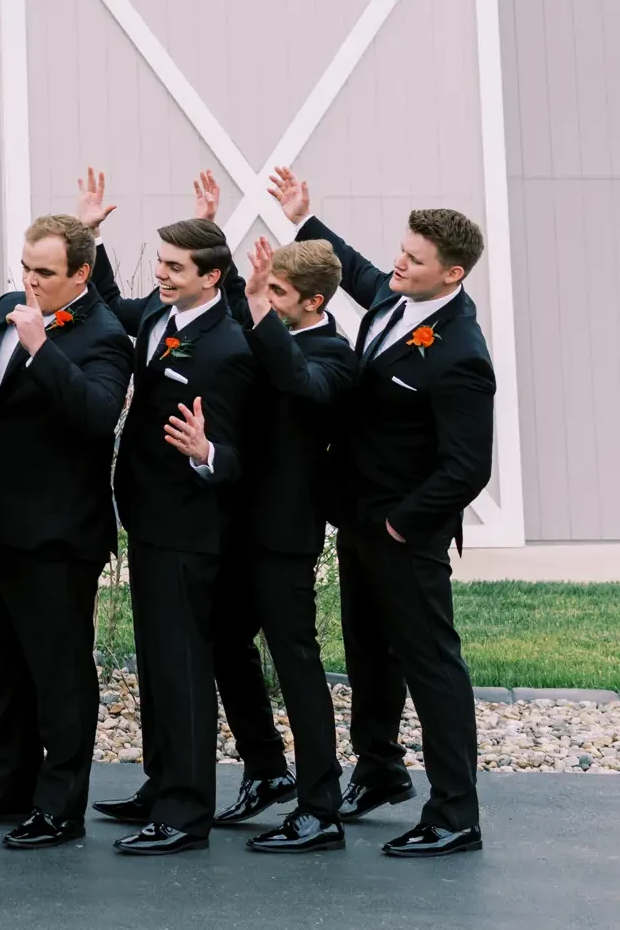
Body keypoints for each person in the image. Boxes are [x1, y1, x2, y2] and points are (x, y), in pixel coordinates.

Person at [268, 167, 495, 858]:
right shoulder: (396, 300)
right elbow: (362, 273)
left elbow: (467, 467)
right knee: (368, 651)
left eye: (414, 259)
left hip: (405, 533)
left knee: (431, 665)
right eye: (402, 249)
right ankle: (379, 769)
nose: (399, 263)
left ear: (452, 273)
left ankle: (454, 813)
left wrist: (402, 523)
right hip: (358, 518)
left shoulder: (461, 354)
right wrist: (305, 220)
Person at [0, 209, 132, 852]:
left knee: (59, 672)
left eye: (44, 272)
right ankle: (9, 784)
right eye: (25, 267)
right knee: (7, 667)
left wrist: (42, 349)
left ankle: (60, 804)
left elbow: (98, 415)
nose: (30, 281)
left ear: (82, 274)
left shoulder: (105, 335)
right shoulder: (6, 308)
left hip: (57, 536)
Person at [76, 174, 254, 855]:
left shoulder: (228, 348)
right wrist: (91, 236)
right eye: (160, 262)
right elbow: (106, 301)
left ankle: (185, 812)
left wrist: (209, 452)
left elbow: (243, 455)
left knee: (182, 670)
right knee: (157, 665)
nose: (161, 275)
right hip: (148, 519)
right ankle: (160, 784)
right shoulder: (159, 315)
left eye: (175, 267)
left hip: (188, 529)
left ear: (212, 277)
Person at [222, 230, 356, 855]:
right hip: (236, 527)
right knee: (223, 642)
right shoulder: (267, 326)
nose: (266, 299)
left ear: (313, 301)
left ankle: (321, 808)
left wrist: (258, 310)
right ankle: (266, 768)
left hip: (284, 536)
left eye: (277, 291)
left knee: (295, 662)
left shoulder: (335, 355)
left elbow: (302, 383)